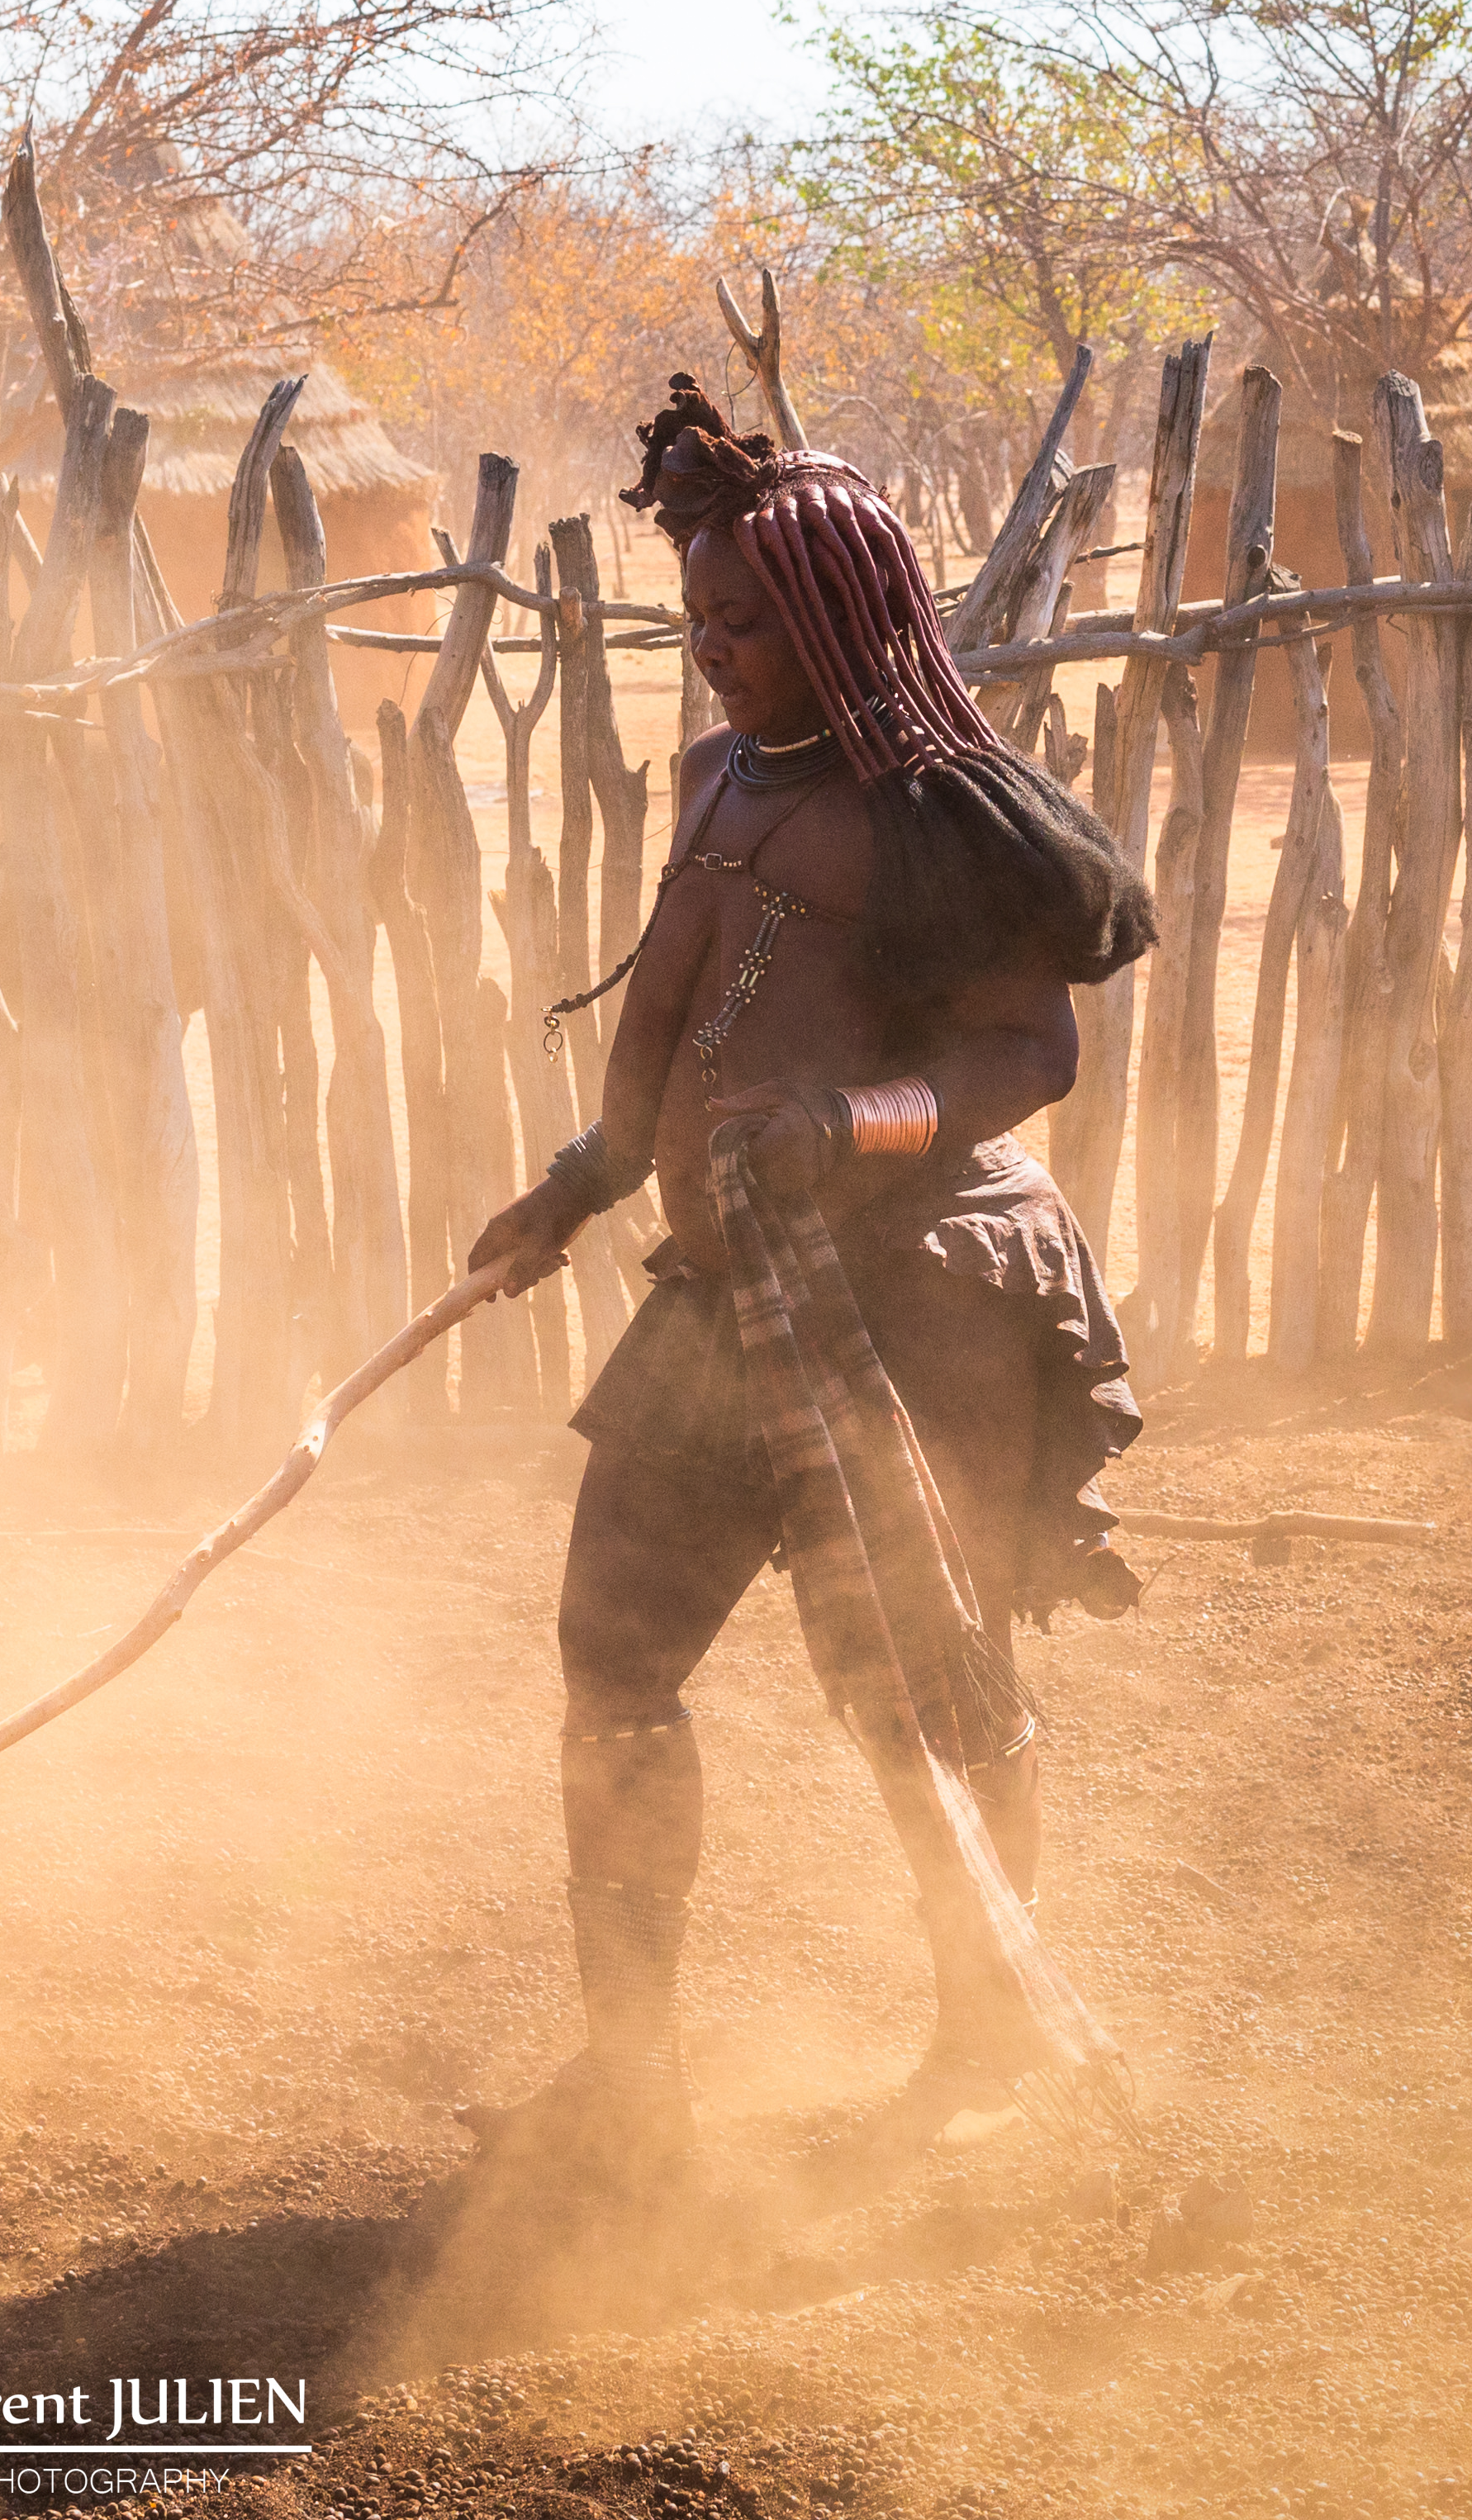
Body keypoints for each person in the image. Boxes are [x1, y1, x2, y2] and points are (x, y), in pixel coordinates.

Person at [460, 378, 1156, 2183]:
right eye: (694, 617)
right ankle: (630, 2077)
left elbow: (1029, 1052)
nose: (712, 651)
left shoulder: (939, 813)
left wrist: (850, 1116)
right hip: (714, 1288)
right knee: (610, 1654)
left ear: (844, 614)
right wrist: (580, 1179)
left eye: (748, 620)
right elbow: (671, 1016)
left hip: (911, 1297)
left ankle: (985, 2035)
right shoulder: (711, 780)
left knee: (927, 1685)